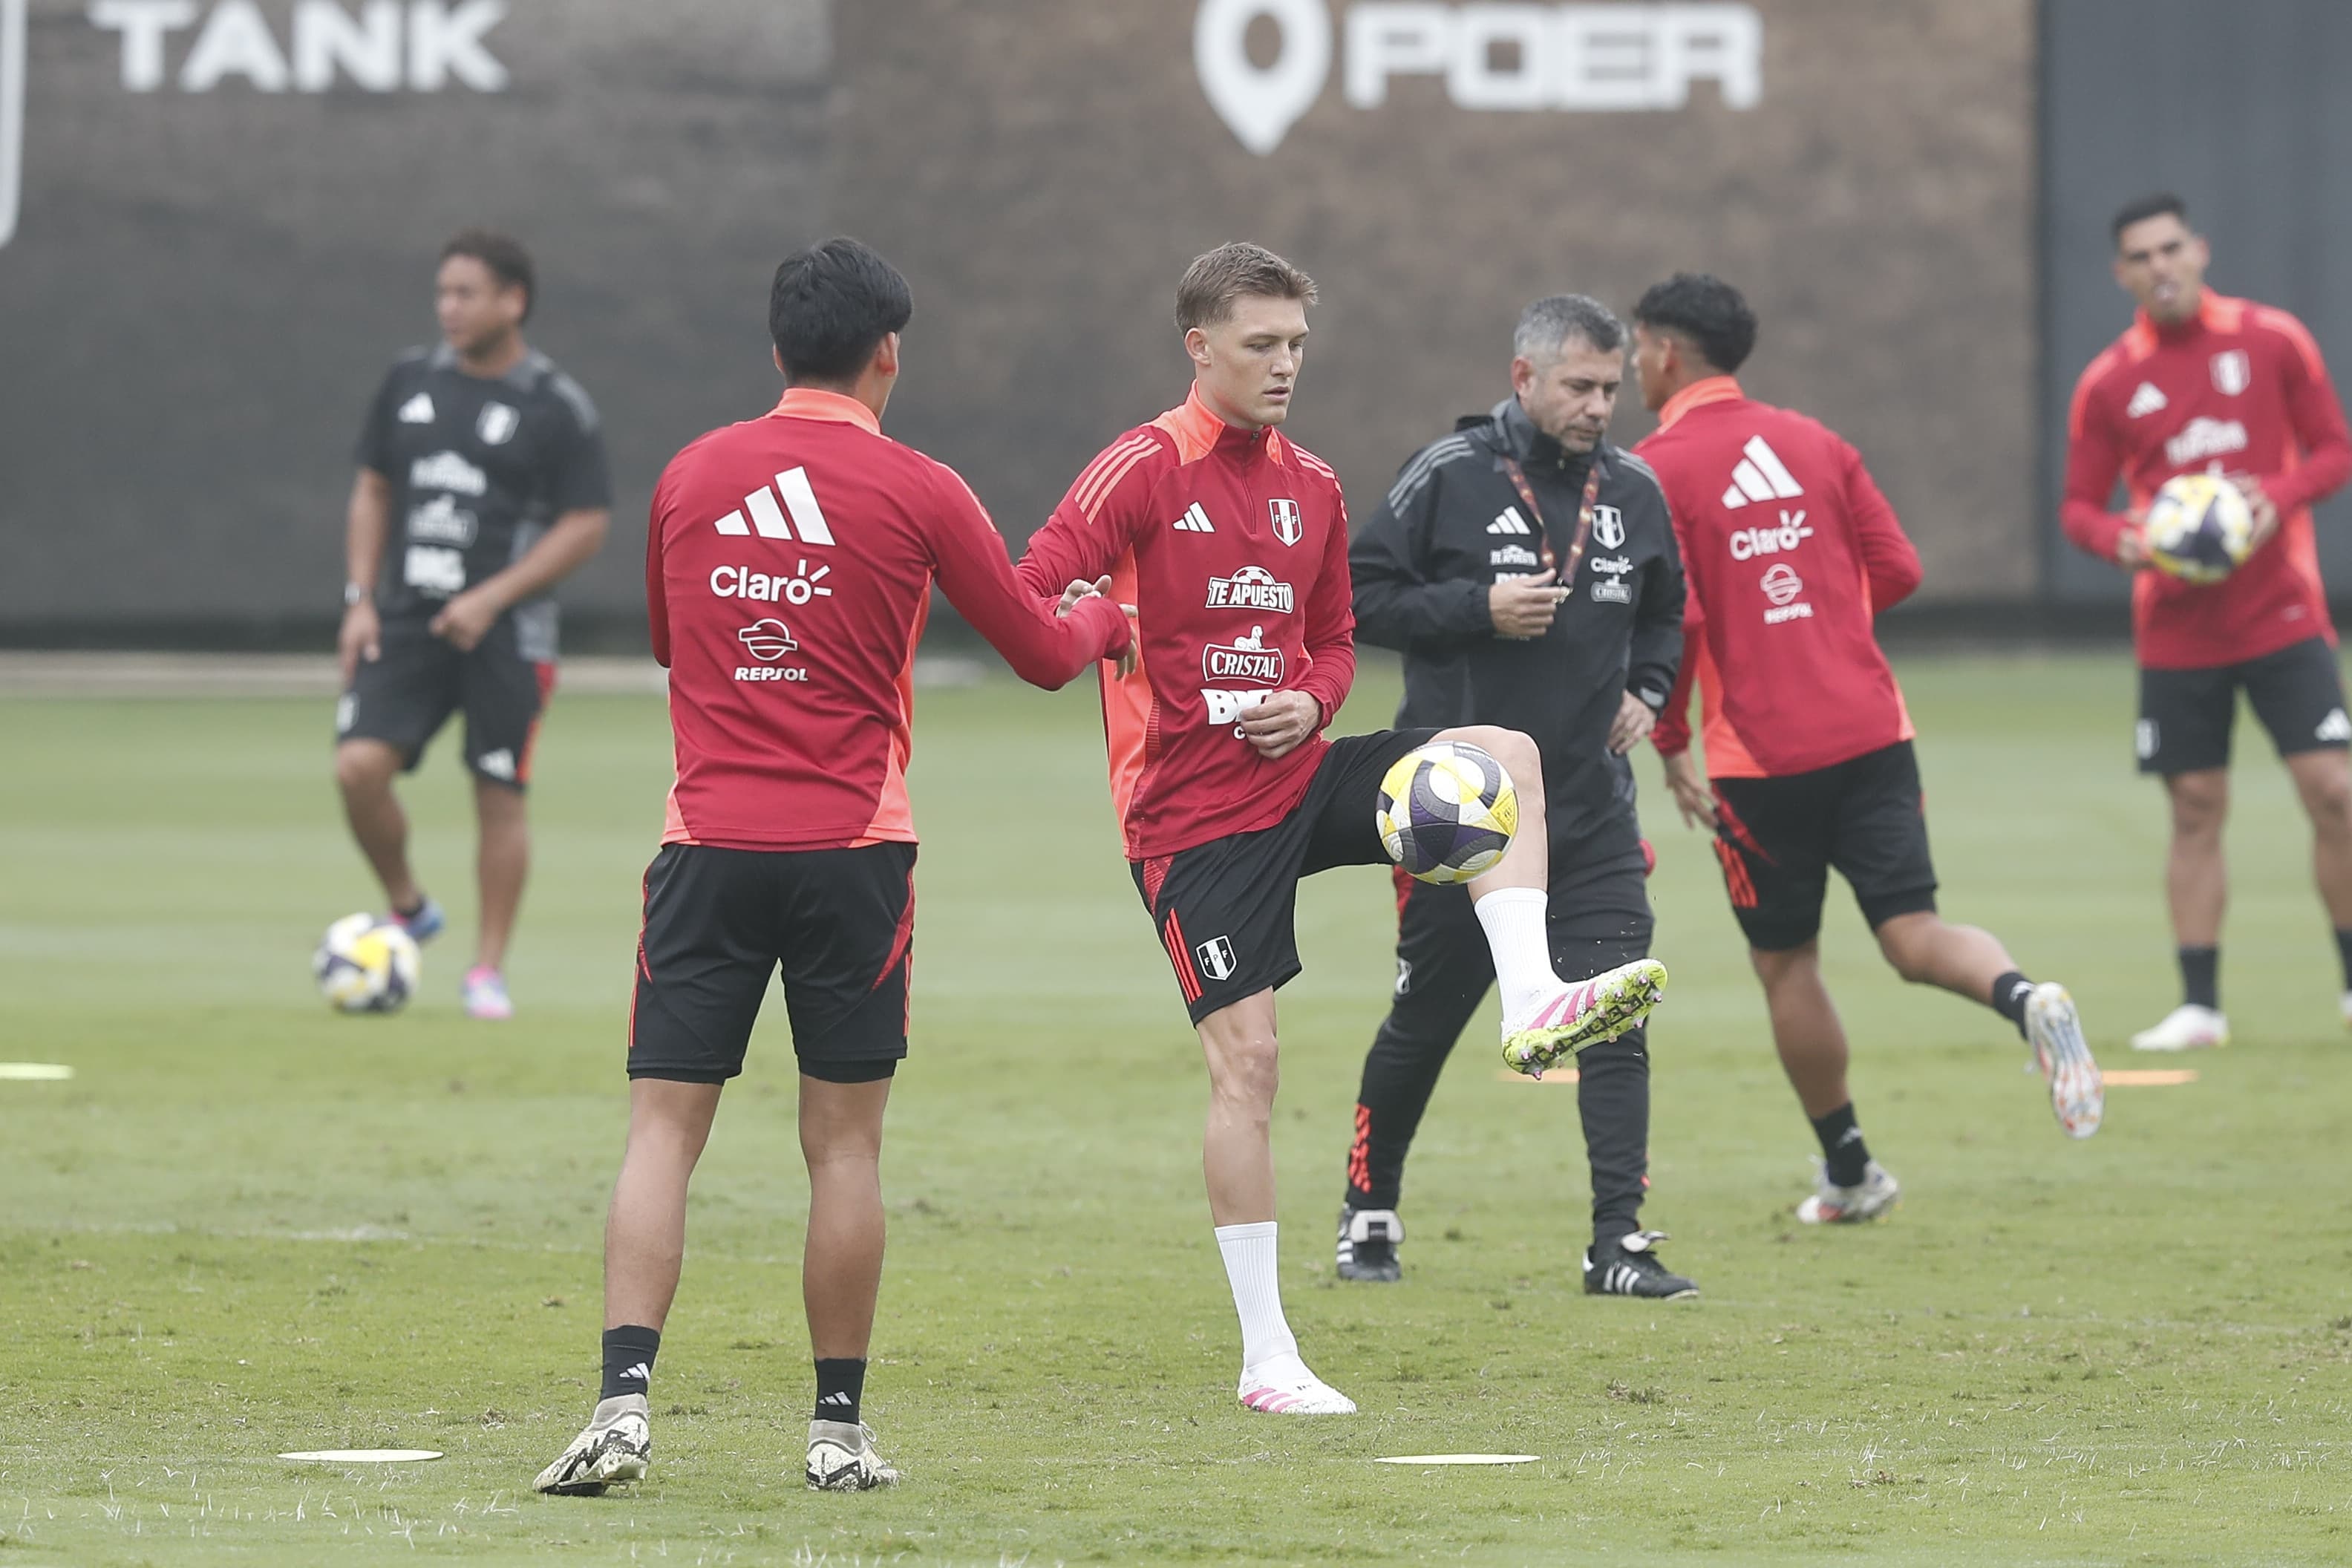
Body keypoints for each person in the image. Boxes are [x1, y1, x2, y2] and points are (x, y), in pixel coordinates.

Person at [1014, 243, 1669, 1416]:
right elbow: (1036, 583)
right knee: (1250, 1067)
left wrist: (1310, 703)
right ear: (1199, 347)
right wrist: (1093, 621)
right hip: (1188, 815)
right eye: (1261, 345)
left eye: (1297, 345)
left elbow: (1334, 640)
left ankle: (1531, 1001)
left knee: (1499, 760)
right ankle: (1268, 1356)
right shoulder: (1140, 467)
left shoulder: (1310, 484)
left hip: (1297, 775)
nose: (1284, 366)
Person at [531, 238, 1130, 1496]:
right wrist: (1108, 618)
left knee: (661, 1130)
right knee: (842, 1147)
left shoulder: (693, 473)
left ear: (773, 349)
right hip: (853, 853)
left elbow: (664, 641)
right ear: (888, 354)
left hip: (703, 846)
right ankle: (837, 1430)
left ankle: (622, 1405)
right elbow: (1034, 647)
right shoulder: (919, 487)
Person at [1634, 272, 2104, 1226]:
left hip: (1760, 761)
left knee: (1786, 963)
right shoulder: (1816, 440)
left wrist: (1671, 739)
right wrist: (1821, 626)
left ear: (1667, 354)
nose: (1634, 365)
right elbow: (1899, 569)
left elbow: (1677, 619)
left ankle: (1849, 1170)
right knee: (1913, 932)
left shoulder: (1657, 467)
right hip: (1874, 730)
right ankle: (2025, 996)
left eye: (1637, 349)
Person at [1336, 294, 1696, 1299]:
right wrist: (1475, 610)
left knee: (1615, 1014)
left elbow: (1667, 613)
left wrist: (1651, 691)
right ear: (1524, 377)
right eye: (1579, 386)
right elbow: (1359, 597)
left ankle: (1617, 1243)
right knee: (1428, 1018)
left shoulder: (1633, 488)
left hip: (1593, 813)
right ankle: (1369, 1208)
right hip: (1465, 823)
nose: (1598, 407)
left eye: (1611, 388)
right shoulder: (1449, 476)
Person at [2060, 192, 2352, 1051]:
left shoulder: (2273, 338)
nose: (2162, 267)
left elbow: (2334, 448)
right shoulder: (2110, 380)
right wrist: (2126, 540)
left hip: (2282, 613)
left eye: (2172, 249)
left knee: (2334, 791)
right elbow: (2079, 507)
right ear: (2123, 275)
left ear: (2200, 251)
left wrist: (2280, 495)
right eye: (2142, 257)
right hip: (2178, 625)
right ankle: (2200, 1006)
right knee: (2195, 807)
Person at [333, 229, 612, 1020]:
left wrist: (496, 595)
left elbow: (586, 523)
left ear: (511, 302)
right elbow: (373, 488)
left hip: (507, 633)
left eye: (466, 294)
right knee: (357, 768)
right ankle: (409, 906)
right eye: (443, 293)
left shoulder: (555, 405)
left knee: (498, 792)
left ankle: (486, 970)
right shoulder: (409, 382)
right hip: (407, 619)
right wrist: (359, 600)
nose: (448, 308)